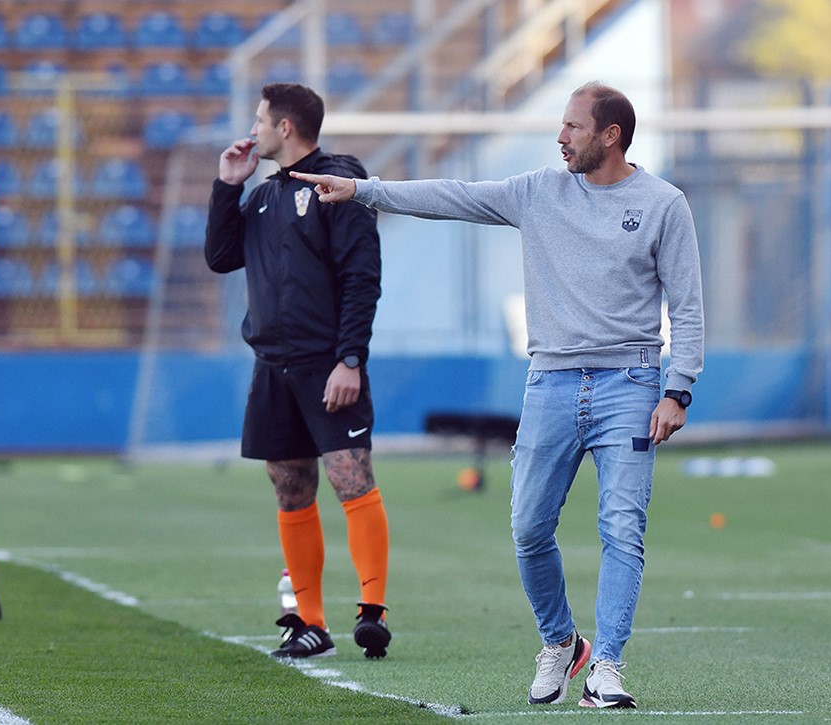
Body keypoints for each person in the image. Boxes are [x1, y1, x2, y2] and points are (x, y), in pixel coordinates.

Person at [292, 82, 704, 706]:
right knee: (528, 527)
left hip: (632, 382)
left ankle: (608, 669)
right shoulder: (537, 192)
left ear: (610, 135)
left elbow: (689, 306)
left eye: (572, 127)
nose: (560, 137)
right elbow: (454, 196)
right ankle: (562, 644)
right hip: (551, 382)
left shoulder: (663, 204)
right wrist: (364, 190)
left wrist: (679, 389)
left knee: (623, 528)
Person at [205, 83, 392, 659]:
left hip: (327, 365)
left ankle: (372, 612)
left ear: (285, 127)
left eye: (259, 120)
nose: (252, 129)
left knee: (350, 477)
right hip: (272, 367)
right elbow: (219, 257)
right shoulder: (262, 196)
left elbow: (363, 276)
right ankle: (311, 622)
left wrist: (350, 358)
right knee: (290, 485)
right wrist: (225, 186)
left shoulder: (338, 183)